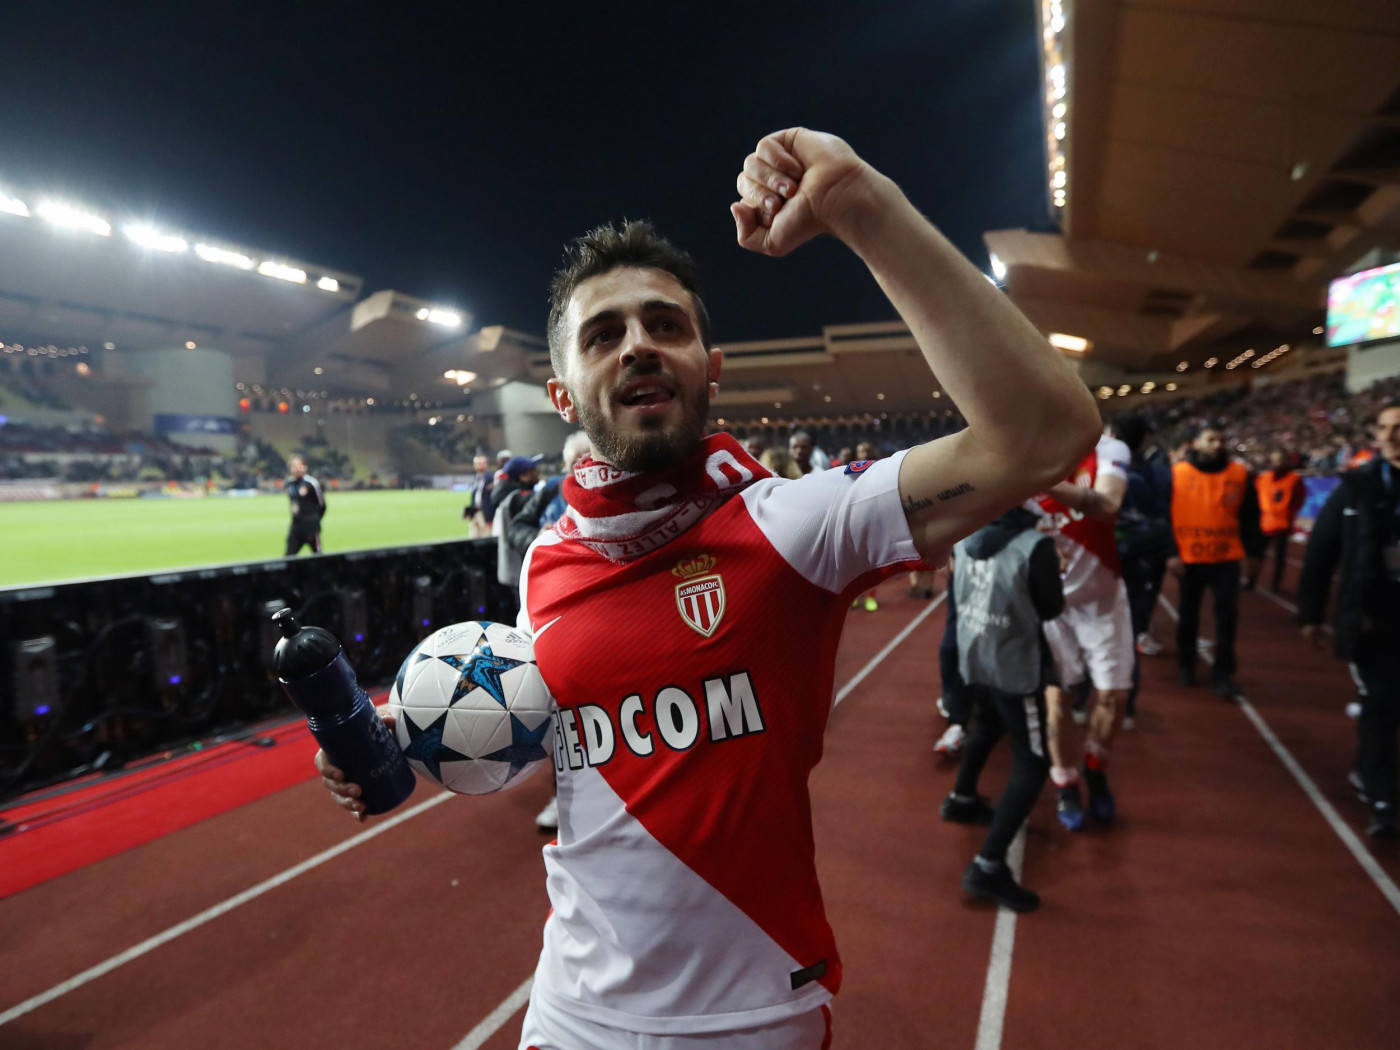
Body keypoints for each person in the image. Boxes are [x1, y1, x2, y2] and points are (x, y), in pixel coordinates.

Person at [317, 127, 1099, 1047]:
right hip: (570, 1008)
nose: (638, 347)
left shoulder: (796, 524)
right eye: (603, 335)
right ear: (563, 395)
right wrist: (411, 743)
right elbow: (562, 745)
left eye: (667, 325)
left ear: (709, 369)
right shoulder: (548, 560)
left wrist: (862, 206)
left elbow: (1044, 434)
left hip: (752, 1015)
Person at [940, 504, 1064, 911]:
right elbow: (1051, 608)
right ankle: (989, 864)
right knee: (1033, 761)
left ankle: (961, 798)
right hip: (1013, 662)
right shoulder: (1034, 545)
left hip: (975, 651)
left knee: (988, 724)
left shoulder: (965, 533)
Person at [1297, 401, 1400, 839]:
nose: (1391, 435)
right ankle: (1382, 798)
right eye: (1384, 427)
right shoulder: (1356, 488)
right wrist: (1310, 613)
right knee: (1381, 705)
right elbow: (1321, 552)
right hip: (1375, 620)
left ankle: (1367, 769)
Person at [1035, 427, 1134, 829]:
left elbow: (1108, 505)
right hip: (1051, 606)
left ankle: (1095, 767)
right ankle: (1065, 783)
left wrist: (1041, 481)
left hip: (1101, 598)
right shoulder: (1014, 455)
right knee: (1057, 702)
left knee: (1112, 697)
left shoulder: (1109, 449)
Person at [1167, 424, 1264, 699]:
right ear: (1195, 443)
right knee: (1188, 615)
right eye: (1211, 439)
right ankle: (1186, 665)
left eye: (1221, 440)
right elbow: (1165, 517)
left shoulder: (1240, 474)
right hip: (1189, 558)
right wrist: (1170, 553)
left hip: (1226, 558)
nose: (1217, 445)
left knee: (1227, 620)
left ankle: (1223, 673)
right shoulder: (1177, 474)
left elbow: (1250, 518)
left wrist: (1254, 554)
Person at [493, 455, 544, 622]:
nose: (538, 472)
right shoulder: (521, 497)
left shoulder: (510, 495)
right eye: (533, 470)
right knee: (529, 620)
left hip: (513, 568)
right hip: (521, 567)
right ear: (523, 476)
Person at [1256, 449, 1304, 595]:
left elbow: (1298, 499)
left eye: (1280, 460)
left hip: (1282, 524)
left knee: (1279, 557)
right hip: (1264, 523)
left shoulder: (1294, 479)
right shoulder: (1263, 478)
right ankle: (1253, 578)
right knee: (1258, 554)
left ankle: (1275, 584)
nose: (1277, 463)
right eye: (1275, 460)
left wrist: (1289, 514)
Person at [283, 455, 325, 555]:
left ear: (305, 467)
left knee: (318, 556)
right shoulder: (289, 484)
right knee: (288, 557)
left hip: (311, 527)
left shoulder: (312, 483)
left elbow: (322, 505)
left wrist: (315, 519)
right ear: (290, 468)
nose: (297, 469)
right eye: (294, 466)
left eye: (300, 465)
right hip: (296, 527)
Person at [463, 452, 497, 537]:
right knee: (473, 536)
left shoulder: (491, 478)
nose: (479, 465)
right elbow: (475, 496)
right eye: (477, 463)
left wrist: (491, 516)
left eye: (481, 463)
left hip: (485, 513)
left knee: (486, 536)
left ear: (486, 464)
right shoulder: (476, 478)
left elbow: (493, 498)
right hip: (475, 512)